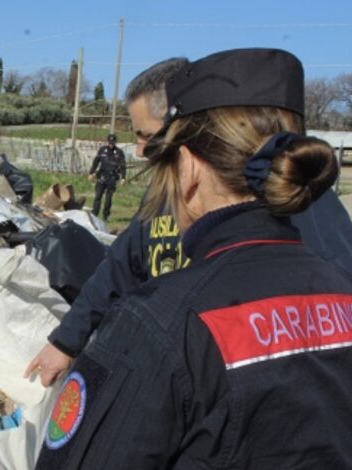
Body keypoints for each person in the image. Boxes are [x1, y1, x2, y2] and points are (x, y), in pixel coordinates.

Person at [35, 47, 352, 468]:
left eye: (155, 147)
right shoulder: (339, 291)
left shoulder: (155, 323)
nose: (144, 154)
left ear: (188, 168)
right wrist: (66, 339)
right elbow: (120, 264)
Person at [88, 133, 126, 221]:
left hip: (112, 178)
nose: (111, 144)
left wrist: (123, 177)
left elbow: (123, 165)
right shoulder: (102, 150)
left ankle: (106, 216)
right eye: (110, 142)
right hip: (101, 176)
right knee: (98, 196)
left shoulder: (119, 152)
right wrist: (91, 173)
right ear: (107, 142)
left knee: (108, 198)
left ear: (115, 142)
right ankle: (94, 214)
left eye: (113, 142)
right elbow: (96, 162)